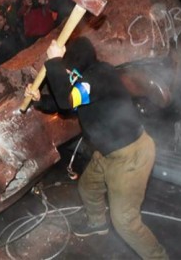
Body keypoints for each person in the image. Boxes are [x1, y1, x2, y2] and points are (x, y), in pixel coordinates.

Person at [24, 37, 168, 259]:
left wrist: (53, 62)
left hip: (130, 156)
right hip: (107, 152)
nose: (67, 72)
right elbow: (66, 102)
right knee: (88, 188)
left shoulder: (99, 76)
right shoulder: (85, 76)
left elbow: (66, 101)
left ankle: (158, 256)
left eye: (68, 67)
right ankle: (98, 224)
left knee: (125, 222)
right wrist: (38, 100)